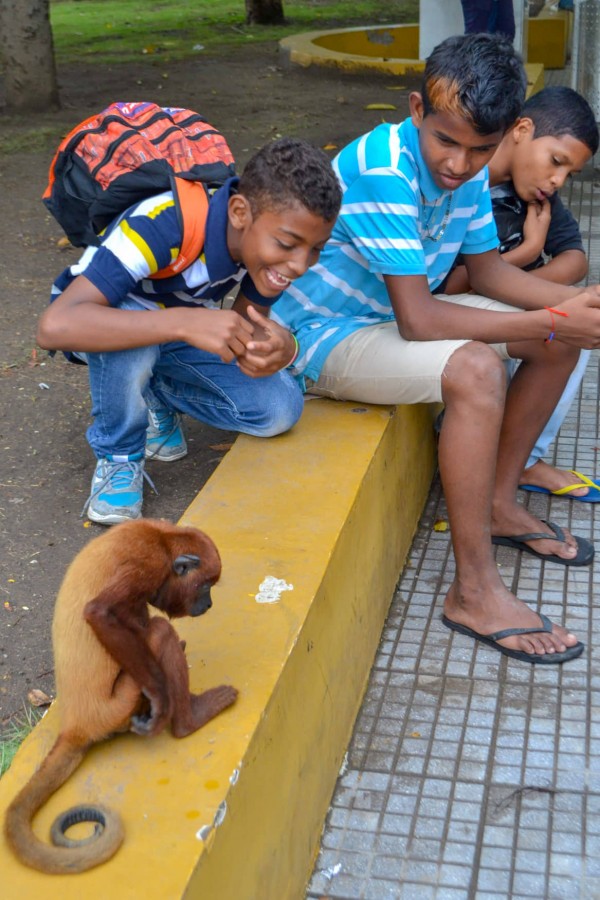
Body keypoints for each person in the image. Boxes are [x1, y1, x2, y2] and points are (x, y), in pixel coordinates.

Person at [272, 33, 600, 665]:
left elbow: (485, 273)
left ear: (502, 136)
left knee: (554, 339)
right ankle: (473, 592)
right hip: (324, 337)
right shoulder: (384, 168)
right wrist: (555, 314)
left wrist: (567, 311)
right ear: (416, 109)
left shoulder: (468, 169)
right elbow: (419, 319)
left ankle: (501, 504)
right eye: (446, 142)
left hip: (384, 322)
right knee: (478, 366)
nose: (458, 164)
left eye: (479, 150)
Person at [37, 138, 342, 524]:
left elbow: (242, 331)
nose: (300, 264)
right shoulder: (162, 223)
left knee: (280, 410)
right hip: (104, 328)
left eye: (316, 248)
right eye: (288, 244)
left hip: (176, 335)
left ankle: (154, 396)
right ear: (239, 212)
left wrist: (282, 348)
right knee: (134, 328)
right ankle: (118, 456)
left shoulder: (262, 250)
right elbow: (55, 327)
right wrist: (185, 321)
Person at [444, 86, 600, 501]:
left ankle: (524, 458)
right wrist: (529, 251)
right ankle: (510, 460)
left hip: (493, 293)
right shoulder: (464, 180)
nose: (557, 179)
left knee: (575, 315)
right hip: (445, 305)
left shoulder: (534, 189)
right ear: (522, 129)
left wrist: (541, 285)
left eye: (568, 173)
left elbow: (575, 258)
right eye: (556, 162)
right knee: (564, 323)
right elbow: (457, 282)